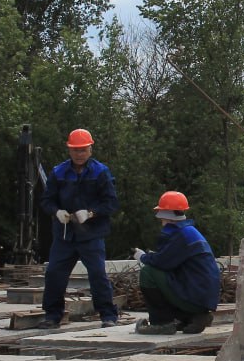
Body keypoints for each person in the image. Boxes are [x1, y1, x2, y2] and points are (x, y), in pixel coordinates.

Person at [38, 128, 120, 329]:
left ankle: (108, 315)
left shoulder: (101, 172)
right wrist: (56, 212)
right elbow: (46, 200)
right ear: (69, 150)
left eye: (83, 150)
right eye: (75, 150)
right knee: (55, 273)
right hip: (65, 234)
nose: (79, 154)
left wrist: (91, 213)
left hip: (91, 233)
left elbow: (111, 203)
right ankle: (52, 315)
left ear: (90, 149)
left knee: (97, 274)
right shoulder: (59, 172)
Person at [132, 191, 221, 335]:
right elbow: (172, 260)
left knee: (148, 273)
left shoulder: (180, 235)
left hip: (195, 295)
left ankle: (161, 323)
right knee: (160, 274)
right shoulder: (189, 232)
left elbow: (161, 263)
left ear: (164, 215)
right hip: (201, 296)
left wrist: (142, 257)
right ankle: (193, 317)